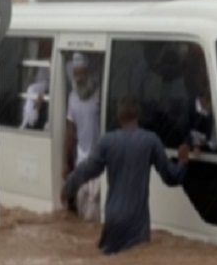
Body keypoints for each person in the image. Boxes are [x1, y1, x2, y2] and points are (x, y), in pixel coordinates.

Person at [62, 96, 190, 255]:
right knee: (137, 261)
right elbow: (171, 177)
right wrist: (183, 162)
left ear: (118, 116)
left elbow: (86, 170)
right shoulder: (150, 140)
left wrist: (67, 188)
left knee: (110, 261)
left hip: (113, 217)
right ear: (139, 115)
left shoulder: (107, 141)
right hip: (137, 222)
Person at [64, 53, 103, 220]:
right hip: (81, 162)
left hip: (100, 162)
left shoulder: (100, 95)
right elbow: (70, 131)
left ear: (89, 72)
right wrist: (65, 163)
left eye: (82, 73)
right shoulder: (72, 98)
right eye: (76, 75)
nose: (79, 78)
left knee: (95, 212)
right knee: (82, 211)